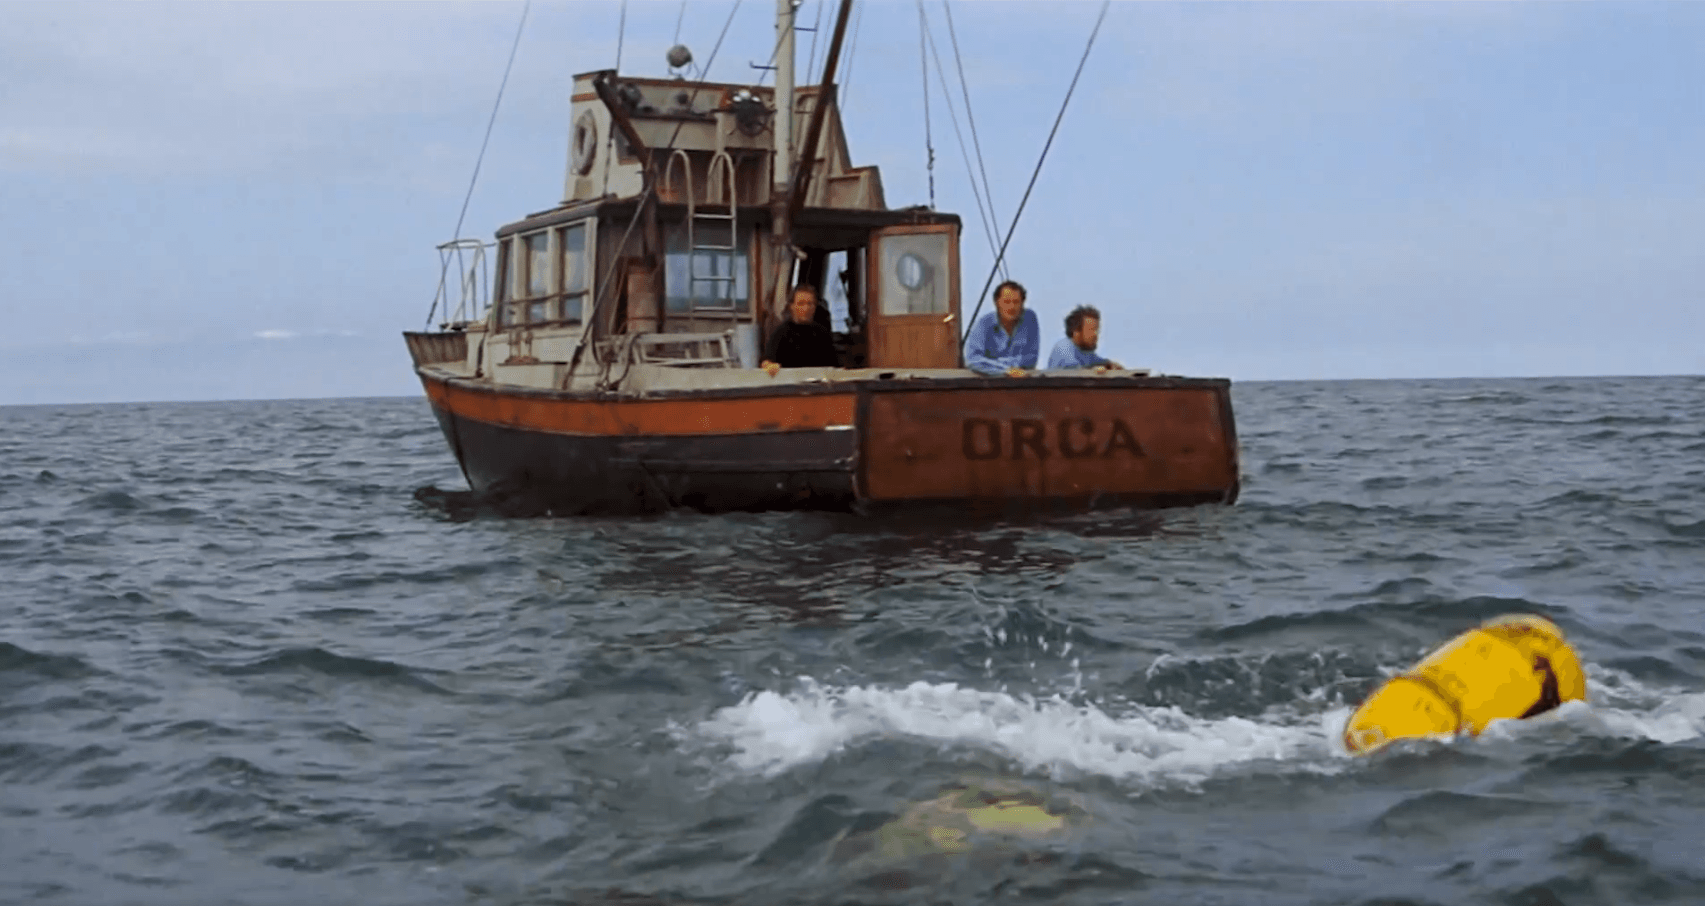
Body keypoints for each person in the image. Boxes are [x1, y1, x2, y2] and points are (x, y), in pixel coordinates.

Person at [962, 280, 1040, 377]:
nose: (1011, 307)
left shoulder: (1029, 318)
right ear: (996, 303)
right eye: (1006, 302)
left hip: (1021, 380)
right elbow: (972, 360)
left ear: (1023, 303)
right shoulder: (984, 323)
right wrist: (1006, 370)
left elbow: (1031, 359)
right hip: (990, 382)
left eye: (1016, 302)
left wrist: (994, 364)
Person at [761, 284, 838, 376]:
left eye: (810, 304)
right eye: (801, 303)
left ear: (815, 307)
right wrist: (769, 365)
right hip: (791, 382)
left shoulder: (823, 334)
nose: (806, 308)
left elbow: (834, 367)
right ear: (792, 306)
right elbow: (767, 361)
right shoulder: (780, 333)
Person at [1045, 305, 1121, 372]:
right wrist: (1096, 370)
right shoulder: (1063, 348)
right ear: (1076, 332)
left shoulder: (1086, 353)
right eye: (1091, 330)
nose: (1095, 334)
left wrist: (1110, 365)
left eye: (1096, 330)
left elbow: (1099, 362)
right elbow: (1076, 372)